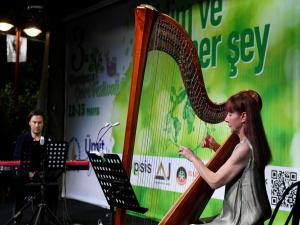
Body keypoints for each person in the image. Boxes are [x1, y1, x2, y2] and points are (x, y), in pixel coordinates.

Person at [179, 91, 272, 225]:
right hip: (248, 216)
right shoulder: (251, 143)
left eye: (230, 114)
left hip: (242, 220)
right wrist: (215, 146)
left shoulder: (244, 148)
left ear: (244, 117)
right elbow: (239, 164)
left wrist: (193, 157)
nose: (226, 119)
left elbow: (214, 181)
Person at [12, 109, 58, 224]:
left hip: (43, 175)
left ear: (43, 123)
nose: (37, 125)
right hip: (26, 175)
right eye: (34, 122)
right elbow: (17, 159)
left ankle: (52, 221)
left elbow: (52, 161)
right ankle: (16, 220)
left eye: (39, 122)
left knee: (54, 185)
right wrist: (28, 173)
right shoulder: (22, 139)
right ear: (29, 123)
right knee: (17, 183)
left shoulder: (49, 139)